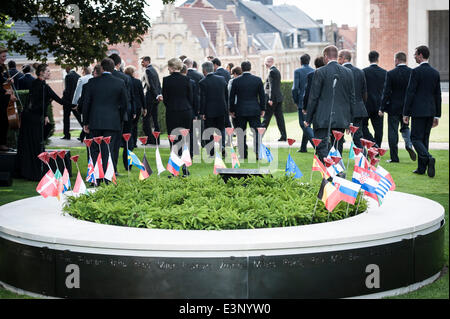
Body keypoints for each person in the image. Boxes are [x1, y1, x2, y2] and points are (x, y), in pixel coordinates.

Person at [304, 45, 356, 164]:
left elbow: (314, 97)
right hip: (341, 118)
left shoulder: (320, 71)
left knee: (322, 148)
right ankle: (336, 174)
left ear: (325, 57)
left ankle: (330, 175)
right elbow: (352, 98)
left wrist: (308, 118)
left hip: (322, 117)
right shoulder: (348, 72)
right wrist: (350, 121)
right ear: (337, 57)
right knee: (337, 148)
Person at [16, 63, 64, 181]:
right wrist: (73, 106)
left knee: (32, 144)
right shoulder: (41, 86)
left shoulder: (39, 84)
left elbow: (40, 102)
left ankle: (31, 171)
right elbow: (37, 104)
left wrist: (46, 114)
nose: (49, 73)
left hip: (31, 118)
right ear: (41, 72)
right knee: (35, 144)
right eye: (47, 71)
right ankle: (34, 172)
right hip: (32, 119)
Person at [82, 58, 128, 178]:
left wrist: (85, 122)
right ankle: (108, 176)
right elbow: (124, 104)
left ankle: (95, 176)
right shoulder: (120, 82)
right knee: (109, 149)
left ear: (101, 68)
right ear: (113, 68)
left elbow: (86, 104)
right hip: (113, 121)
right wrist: (120, 118)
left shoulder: (92, 83)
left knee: (95, 149)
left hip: (95, 121)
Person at [403, 46, 441, 178]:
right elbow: (438, 95)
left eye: (415, 54)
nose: (414, 56)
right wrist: (437, 115)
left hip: (418, 111)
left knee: (415, 138)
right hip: (430, 111)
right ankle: (421, 168)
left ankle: (429, 158)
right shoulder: (435, 73)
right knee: (424, 139)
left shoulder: (415, 72)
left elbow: (410, 93)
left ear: (420, 55)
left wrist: (406, 113)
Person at [380, 52, 416, 163]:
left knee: (392, 132)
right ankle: (408, 143)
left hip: (393, 107)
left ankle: (394, 158)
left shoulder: (391, 73)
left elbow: (386, 92)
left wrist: (381, 107)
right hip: (407, 107)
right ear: (405, 60)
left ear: (396, 60)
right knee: (405, 127)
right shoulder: (412, 72)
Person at [229, 61, 265, 159]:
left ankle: (243, 153)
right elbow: (262, 96)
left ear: (242, 68)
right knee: (256, 132)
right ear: (250, 68)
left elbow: (232, 97)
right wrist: (263, 109)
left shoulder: (236, 81)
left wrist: (231, 110)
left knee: (241, 132)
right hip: (254, 109)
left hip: (240, 110)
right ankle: (257, 152)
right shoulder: (257, 80)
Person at [162, 58, 194, 167]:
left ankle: (174, 165)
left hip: (172, 111)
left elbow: (165, 99)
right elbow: (190, 97)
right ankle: (185, 167)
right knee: (185, 138)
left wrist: (171, 105)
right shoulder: (186, 80)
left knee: (173, 138)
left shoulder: (166, 80)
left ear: (171, 67)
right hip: (186, 111)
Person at [109, 53, 136, 171]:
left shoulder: (105, 77)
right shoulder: (125, 78)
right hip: (125, 112)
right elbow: (130, 97)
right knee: (127, 138)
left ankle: (112, 166)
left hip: (110, 112)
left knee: (112, 141)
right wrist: (133, 111)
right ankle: (127, 164)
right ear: (119, 64)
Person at [338, 50, 368, 150]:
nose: (338, 60)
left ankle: (337, 162)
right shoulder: (360, 71)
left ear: (343, 58)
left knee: (338, 138)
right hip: (358, 109)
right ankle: (363, 159)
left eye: (339, 57)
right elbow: (364, 92)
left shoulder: (340, 71)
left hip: (343, 110)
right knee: (358, 137)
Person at [198, 61, 228, 157]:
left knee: (209, 131)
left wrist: (202, 112)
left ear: (204, 70)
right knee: (221, 129)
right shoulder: (222, 79)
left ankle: (211, 152)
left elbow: (203, 99)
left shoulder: (202, 82)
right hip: (221, 109)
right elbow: (226, 95)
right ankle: (222, 146)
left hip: (209, 111)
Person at [363, 51, 386, 148]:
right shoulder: (384, 73)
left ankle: (372, 142)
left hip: (366, 104)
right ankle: (377, 147)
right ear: (378, 59)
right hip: (379, 105)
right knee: (379, 129)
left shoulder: (363, 72)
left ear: (369, 59)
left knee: (363, 126)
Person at [292, 54, 315, 152]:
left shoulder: (298, 71)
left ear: (300, 61)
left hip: (302, 101)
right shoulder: (314, 71)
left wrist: (296, 101)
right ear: (309, 61)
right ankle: (303, 147)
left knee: (304, 124)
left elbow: (295, 88)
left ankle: (317, 146)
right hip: (313, 101)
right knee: (307, 124)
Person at [261, 56, 287, 142]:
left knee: (266, 117)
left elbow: (272, 86)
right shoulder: (276, 71)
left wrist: (271, 99)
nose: (265, 64)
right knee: (279, 118)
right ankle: (283, 136)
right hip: (278, 98)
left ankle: (259, 135)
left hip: (273, 99)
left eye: (266, 62)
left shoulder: (272, 71)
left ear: (271, 62)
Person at [141, 56, 162, 144]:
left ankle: (150, 139)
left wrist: (156, 95)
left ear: (147, 61)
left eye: (143, 62)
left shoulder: (148, 70)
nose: (141, 63)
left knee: (146, 119)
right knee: (155, 119)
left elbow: (151, 85)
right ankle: (157, 140)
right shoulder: (154, 69)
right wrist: (159, 94)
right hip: (155, 98)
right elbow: (158, 83)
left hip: (150, 97)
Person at [124, 65, 146, 153]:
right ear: (132, 72)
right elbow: (141, 95)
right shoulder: (137, 82)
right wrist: (144, 107)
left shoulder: (124, 81)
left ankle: (127, 141)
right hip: (137, 106)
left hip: (128, 106)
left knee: (127, 125)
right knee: (134, 125)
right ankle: (134, 142)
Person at [0, 47, 16, 152]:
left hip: (3, 97)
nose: (5, 59)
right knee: (2, 120)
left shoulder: (2, 67)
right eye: (3, 56)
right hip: (1, 97)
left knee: (4, 120)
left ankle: (3, 143)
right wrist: (6, 93)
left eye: (5, 56)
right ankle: (1, 144)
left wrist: (7, 81)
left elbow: (1, 81)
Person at [61, 66, 81, 140]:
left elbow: (67, 90)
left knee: (66, 118)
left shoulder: (68, 76)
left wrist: (63, 99)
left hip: (68, 101)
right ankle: (85, 132)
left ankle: (67, 135)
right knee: (79, 117)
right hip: (75, 101)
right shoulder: (78, 76)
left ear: (68, 68)